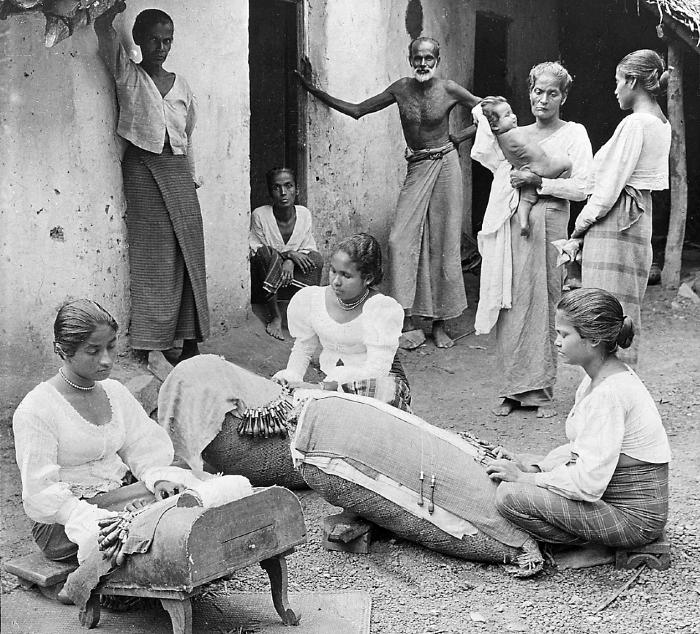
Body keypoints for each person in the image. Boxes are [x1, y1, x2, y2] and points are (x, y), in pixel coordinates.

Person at [296, 37, 480, 349]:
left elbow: (488, 111)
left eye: (428, 58)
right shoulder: (401, 89)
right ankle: (407, 318)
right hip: (419, 165)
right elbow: (357, 110)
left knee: (443, 242)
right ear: (410, 59)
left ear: (437, 59)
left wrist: (458, 137)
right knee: (400, 240)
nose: (423, 64)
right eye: (417, 58)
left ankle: (439, 323)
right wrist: (314, 90)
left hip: (446, 166)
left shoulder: (448, 89)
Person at [487, 288, 671, 561]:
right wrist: (534, 466)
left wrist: (525, 478)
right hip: (612, 500)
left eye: (564, 334)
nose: (557, 342)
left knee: (509, 497)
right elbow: (580, 450)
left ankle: (596, 548)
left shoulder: (608, 394)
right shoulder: (596, 379)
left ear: (593, 339)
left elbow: (587, 484)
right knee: (522, 471)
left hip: (634, 520)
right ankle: (593, 542)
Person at [12, 299, 200, 566]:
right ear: (64, 351)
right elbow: (40, 492)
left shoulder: (114, 392)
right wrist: (115, 513)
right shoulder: (37, 408)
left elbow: (142, 447)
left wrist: (158, 481)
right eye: (93, 351)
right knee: (158, 516)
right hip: (63, 521)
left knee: (185, 488)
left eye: (111, 347)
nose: (106, 360)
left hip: (121, 496)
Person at [95, 2, 210, 381]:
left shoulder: (182, 84)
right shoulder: (128, 73)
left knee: (189, 250)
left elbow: (187, 135)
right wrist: (107, 9)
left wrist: (191, 176)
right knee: (155, 256)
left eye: (168, 40)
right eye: (155, 40)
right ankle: (155, 348)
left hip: (177, 169)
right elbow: (105, 34)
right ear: (141, 42)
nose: (162, 47)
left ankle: (191, 341)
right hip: (143, 168)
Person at [485, 62, 593, 419]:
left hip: (551, 220)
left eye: (552, 93)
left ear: (563, 96)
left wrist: (538, 184)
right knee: (511, 299)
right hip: (514, 223)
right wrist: (514, 184)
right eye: (537, 91)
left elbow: (582, 187)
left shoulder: (574, 134)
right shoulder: (514, 133)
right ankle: (511, 389)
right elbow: (503, 176)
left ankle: (542, 391)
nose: (543, 100)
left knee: (547, 297)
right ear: (529, 91)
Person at [569, 50, 671, 367]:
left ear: (631, 80)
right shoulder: (661, 121)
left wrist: (581, 224)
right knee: (621, 304)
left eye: (617, 82)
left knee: (603, 308)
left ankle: (608, 383)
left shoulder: (636, 123)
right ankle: (613, 378)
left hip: (617, 221)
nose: (615, 90)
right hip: (637, 218)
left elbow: (609, 188)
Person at [273, 233, 411, 411]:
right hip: (332, 382)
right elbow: (303, 348)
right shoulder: (313, 299)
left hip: (374, 385)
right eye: (333, 271)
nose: (336, 282)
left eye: (346, 275)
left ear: (367, 278)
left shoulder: (380, 308)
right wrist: (292, 376)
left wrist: (323, 387)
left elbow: (376, 372)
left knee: (381, 391)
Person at [480, 96, 572, 237]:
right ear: (494, 126)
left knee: (526, 199)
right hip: (544, 167)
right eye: (507, 115)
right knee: (566, 163)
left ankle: (524, 223)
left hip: (525, 169)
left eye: (511, 112)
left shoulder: (500, 140)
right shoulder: (516, 132)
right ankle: (553, 186)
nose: (513, 117)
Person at [250, 167, 324, 341]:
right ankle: (276, 315)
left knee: (316, 259)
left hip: (292, 275)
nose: (283, 192)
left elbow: (309, 247)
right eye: (276, 187)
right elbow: (255, 248)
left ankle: (304, 316)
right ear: (270, 192)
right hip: (267, 276)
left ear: (296, 190)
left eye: (288, 186)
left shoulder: (304, 214)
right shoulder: (260, 215)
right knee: (265, 254)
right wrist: (289, 254)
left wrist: (290, 260)